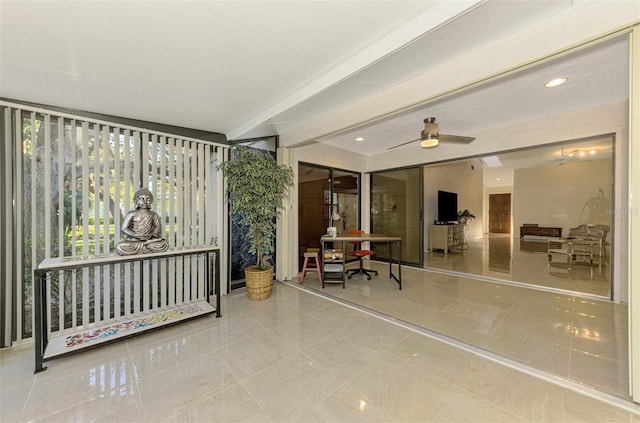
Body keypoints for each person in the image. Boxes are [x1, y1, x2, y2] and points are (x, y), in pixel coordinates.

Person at [116, 188, 169, 255]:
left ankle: (144, 247)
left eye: (148, 199)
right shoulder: (131, 213)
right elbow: (124, 228)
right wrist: (135, 235)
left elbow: (158, 228)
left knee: (164, 244)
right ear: (136, 201)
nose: (145, 201)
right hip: (135, 240)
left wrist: (150, 235)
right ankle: (144, 248)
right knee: (119, 246)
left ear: (151, 201)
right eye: (142, 199)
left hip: (149, 240)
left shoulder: (153, 214)